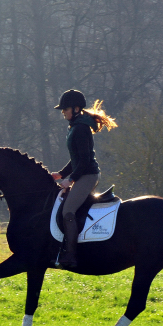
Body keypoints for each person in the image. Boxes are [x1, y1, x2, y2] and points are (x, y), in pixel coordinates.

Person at [50, 89, 117, 268]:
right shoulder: (75, 126)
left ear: (76, 108)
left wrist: (70, 180)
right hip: (83, 172)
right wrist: (61, 174)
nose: (63, 111)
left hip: (88, 175)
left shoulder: (80, 128)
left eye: (65, 108)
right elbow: (76, 158)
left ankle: (71, 256)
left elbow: (85, 161)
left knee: (68, 211)